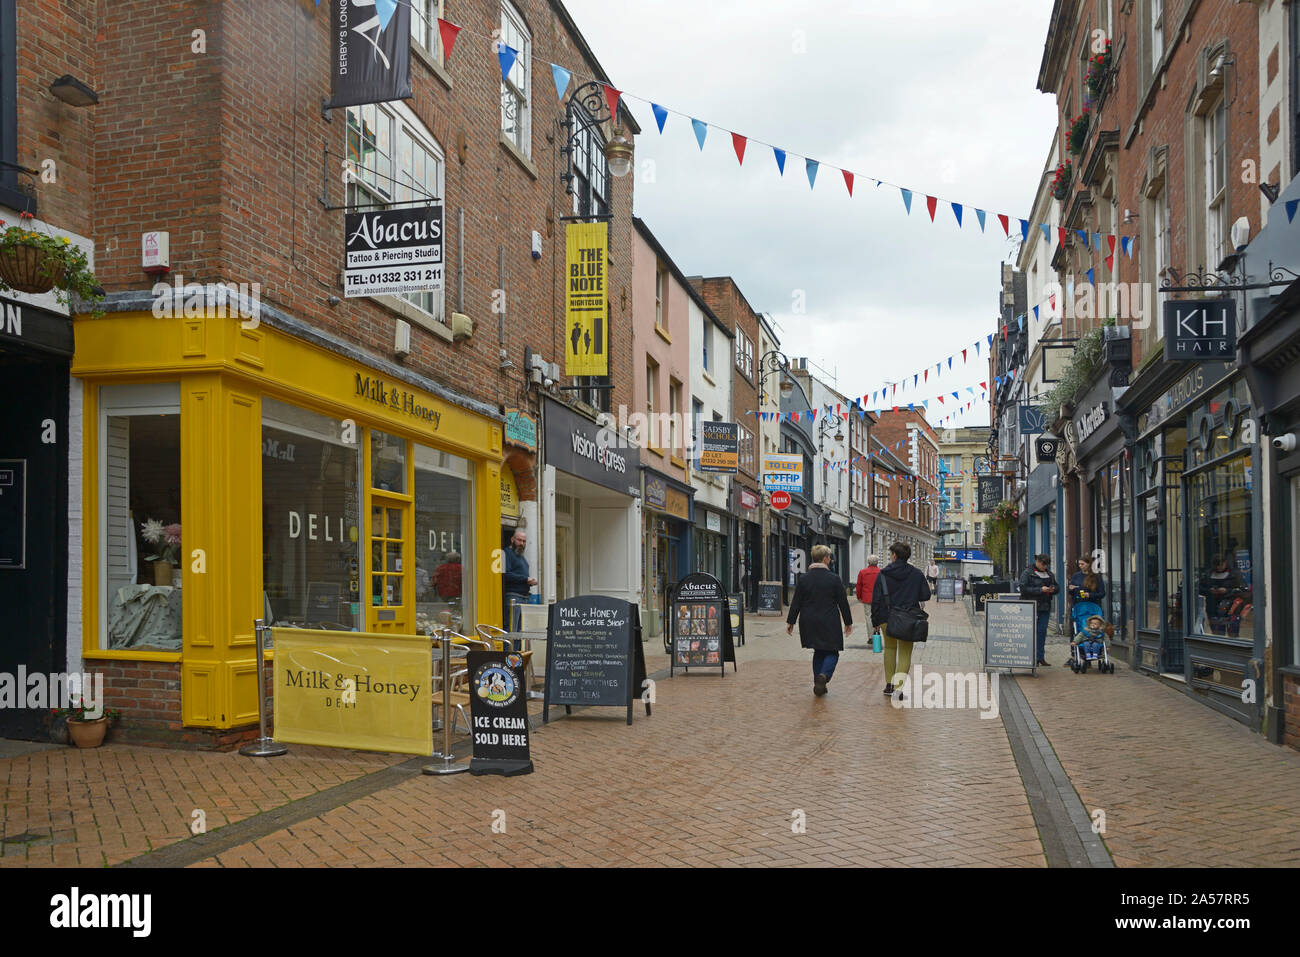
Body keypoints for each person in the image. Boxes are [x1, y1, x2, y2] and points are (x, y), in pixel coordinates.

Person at [786, 544, 853, 697]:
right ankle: (824, 676)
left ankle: (818, 682)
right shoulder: (834, 579)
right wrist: (848, 623)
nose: (830, 559)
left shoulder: (804, 578)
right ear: (824, 559)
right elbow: (843, 602)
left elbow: (796, 601)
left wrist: (791, 622)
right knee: (832, 652)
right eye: (829, 557)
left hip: (808, 620)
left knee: (818, 651)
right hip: (829, 620)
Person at [871, 541, 931, 700]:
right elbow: (925, 595)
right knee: (905, 653)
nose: (890, 557)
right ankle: (898, 688)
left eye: (891, 554)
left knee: (890, 649)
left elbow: (876, 599)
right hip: (908, 617)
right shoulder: (917, 574)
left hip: (886, 616)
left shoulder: (883, 574)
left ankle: (889, 684)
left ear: (895, 555)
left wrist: (874, 620)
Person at [1019, 553, 1060, 666]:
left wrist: (1053, 589)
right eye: (1043, 565)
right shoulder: (1028, 573)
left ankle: (1040, 657)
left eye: (1046, 565)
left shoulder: (1049, 574)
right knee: (1029, 632)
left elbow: (1057, 587)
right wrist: (1040, 589)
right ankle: (1029, 656)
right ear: (1037, 561)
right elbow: (1023, 588)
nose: (1044, 567)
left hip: (1044, 607)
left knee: (1042, 632)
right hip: (1030, 606)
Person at [503, 528, 537, 627]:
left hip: (525, 597)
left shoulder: (521, 557)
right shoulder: (506, 553)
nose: (522, 543)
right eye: (519, 540)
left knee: (520, 632)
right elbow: (506, 575)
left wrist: (530, 581)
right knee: (512, 630)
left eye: (524, 541)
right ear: (512, 539)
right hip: (513, 597)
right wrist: (526, 579)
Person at [855, 555, 881, 628]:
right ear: (877, 562)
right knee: (878, 615)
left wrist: (859, 597)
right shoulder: (881, 572)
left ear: (868, 562)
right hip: (879, 598)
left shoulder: (862, 572)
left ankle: (870, 636)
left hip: (867, 597)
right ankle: (877, 633)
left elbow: (859, 586)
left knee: (868, 616)